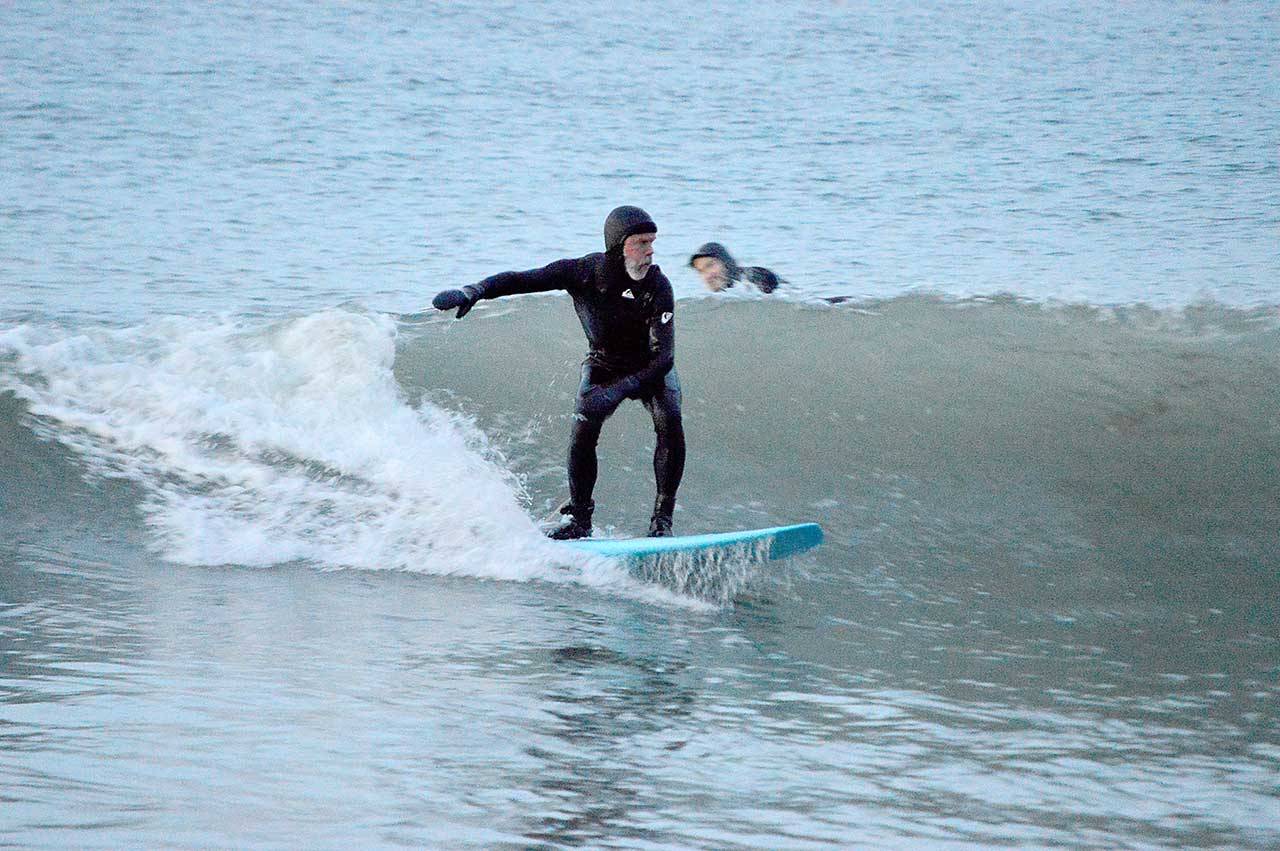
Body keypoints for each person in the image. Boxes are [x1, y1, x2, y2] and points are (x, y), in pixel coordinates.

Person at [431, 206, 685, 540]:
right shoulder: (583, 272)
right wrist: (474, 291)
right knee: (582, 428)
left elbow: (663, 357)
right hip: (603, 363)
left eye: (652, 242)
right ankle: (580, 520)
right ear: (618, 245)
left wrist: (622, 388)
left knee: (669, 420)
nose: (650, 250)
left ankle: (662, 521)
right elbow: (523, 280)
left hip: (649, 368)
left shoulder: (658, 286)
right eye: (641, 243)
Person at [688, 242, 782, 294]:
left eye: (710, 265)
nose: (707, 276)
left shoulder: (754, 277)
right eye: (701, 271)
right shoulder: (725, 297)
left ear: (726, 262)